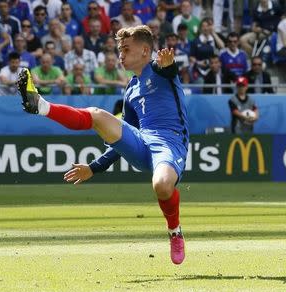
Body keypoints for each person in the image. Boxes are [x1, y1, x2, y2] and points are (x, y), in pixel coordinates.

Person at [17, 25, 189, 265]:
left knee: (161, 185)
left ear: (145, 50)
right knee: (97, 115)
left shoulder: (160, 69)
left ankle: (175, 231)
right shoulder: (130, 90)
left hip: (169, 142)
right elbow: (121, 137)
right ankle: (41, 106)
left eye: (126, 49)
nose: (120, 54)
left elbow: (170, 71)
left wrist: (169, 64)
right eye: (119, 49)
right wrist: (94, 167)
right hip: (141, 142)